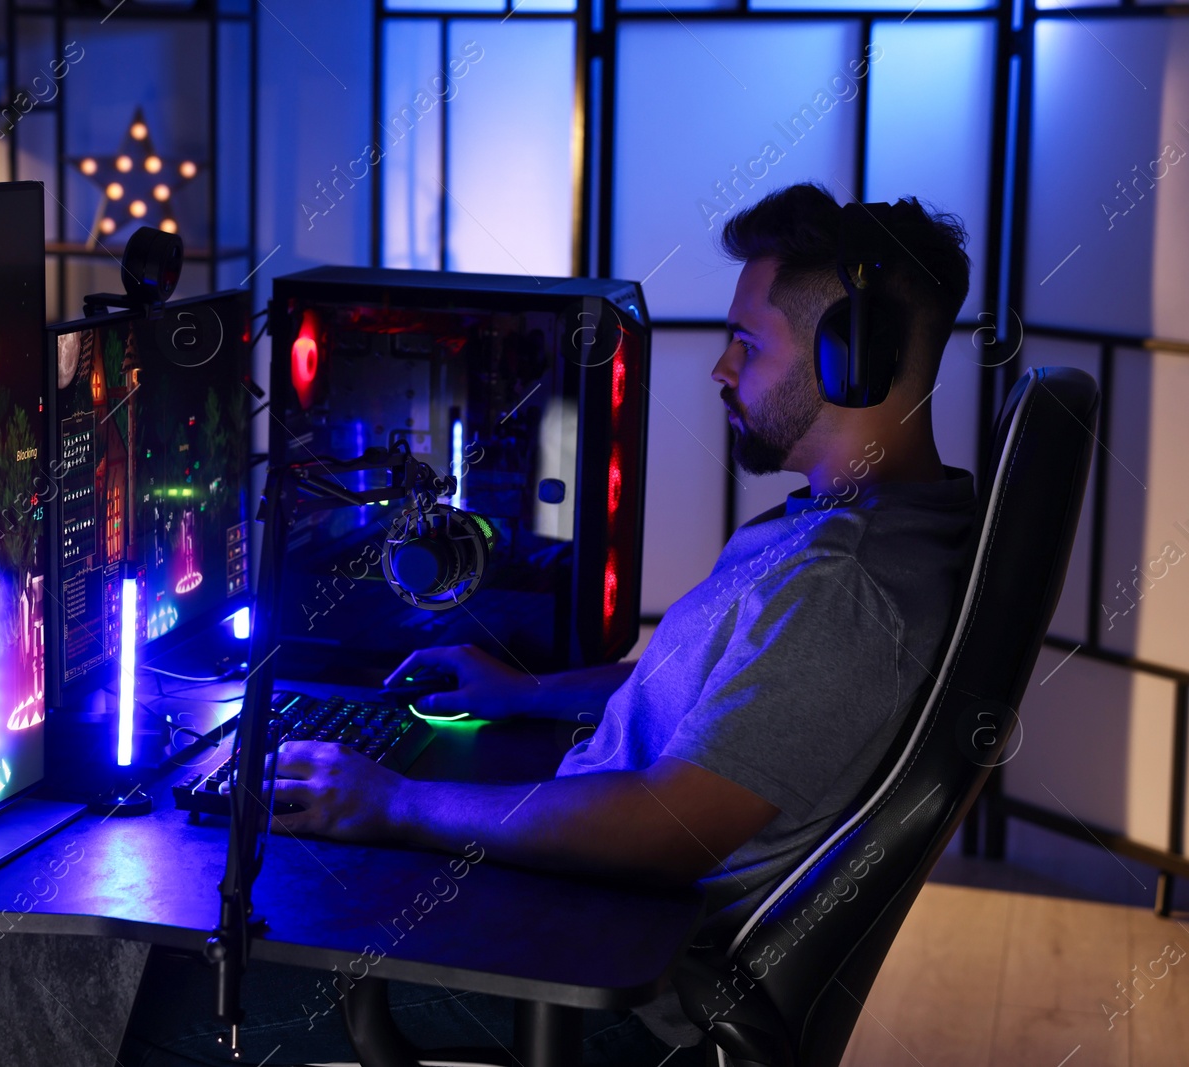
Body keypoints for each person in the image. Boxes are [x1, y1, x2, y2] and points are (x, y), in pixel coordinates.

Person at [118, 182, 977, 1065]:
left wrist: (396, 801)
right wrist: (526, 691)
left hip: (617, 987)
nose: (720, 368)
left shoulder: (843, 585)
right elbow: (713, 685)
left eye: (747, 344)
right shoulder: (859, 523)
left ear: (851, 361)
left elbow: (668, 826)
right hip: (601, 915)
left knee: (167, 1000)